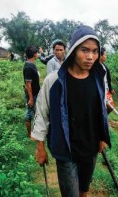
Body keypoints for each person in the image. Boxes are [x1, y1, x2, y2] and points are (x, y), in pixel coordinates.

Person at [31, 25, 111, 197]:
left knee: (84, 190)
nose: (90, 57)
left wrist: (102, 136)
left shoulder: (98, 77)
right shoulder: (54, 81)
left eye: (95, 51)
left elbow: (100, 111)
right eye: (84, 50)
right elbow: (42, 113)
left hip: (90, 147)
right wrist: (40, 147)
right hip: (66, 150)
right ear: (74, 50)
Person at [23, 45, 40, 138]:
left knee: (36, 112)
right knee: (29, 113)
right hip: (32, 94)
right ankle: (30, 134)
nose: (37, 54)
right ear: (34, 54)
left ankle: (35, 132)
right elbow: (28, 85)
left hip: (35, 93)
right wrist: (31, 99)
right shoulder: (29, 67)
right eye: (37, 53)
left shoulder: (31, 64)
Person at [99, 47, 115, 112]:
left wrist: (110, 88)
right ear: (100, 56)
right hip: (101, 90)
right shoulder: (96, 67)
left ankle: (102, 118)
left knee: (111, 107)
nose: (106, 56)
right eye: (105, 55)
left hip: (106, 90)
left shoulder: (104, 66)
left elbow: (108, 79)